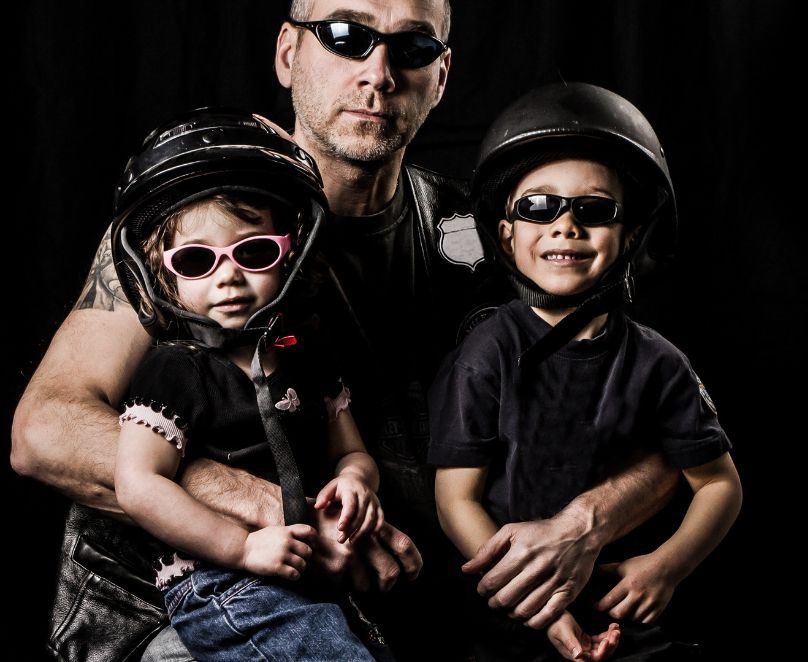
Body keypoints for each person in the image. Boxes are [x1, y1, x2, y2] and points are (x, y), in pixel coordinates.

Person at [11, 2, 680, 660]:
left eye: (412, 47)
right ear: (287, 53)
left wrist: (584, 525)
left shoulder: (481, 235)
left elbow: (665, 421)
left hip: (416, 606)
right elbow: (46, 429)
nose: (379, 72)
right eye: (344, 35)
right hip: (197, 608)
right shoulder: (198, 219)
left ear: (441, 76)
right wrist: (284, 511)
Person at [430, 83, 743, 661]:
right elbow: (456, 500)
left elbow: (719, 484)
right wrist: (543, 609)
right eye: (538, 207)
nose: (565, 225)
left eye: (594, 210)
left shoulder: (660, 364)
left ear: (629, 236)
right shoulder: (486, 352)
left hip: (626, 616)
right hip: (508, 619)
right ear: (506, 234)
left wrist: (666, 567)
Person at [111, 108, 391, 661]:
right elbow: (138, 484)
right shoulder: (176, 369)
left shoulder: (306, 357)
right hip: (218, 579)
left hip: (302, 572)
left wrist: (357, 482)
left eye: (254, 251)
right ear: (162, 273)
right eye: (197, 261)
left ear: (290, 254)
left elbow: (352, 452)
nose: (229, 276)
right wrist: (240, 548)